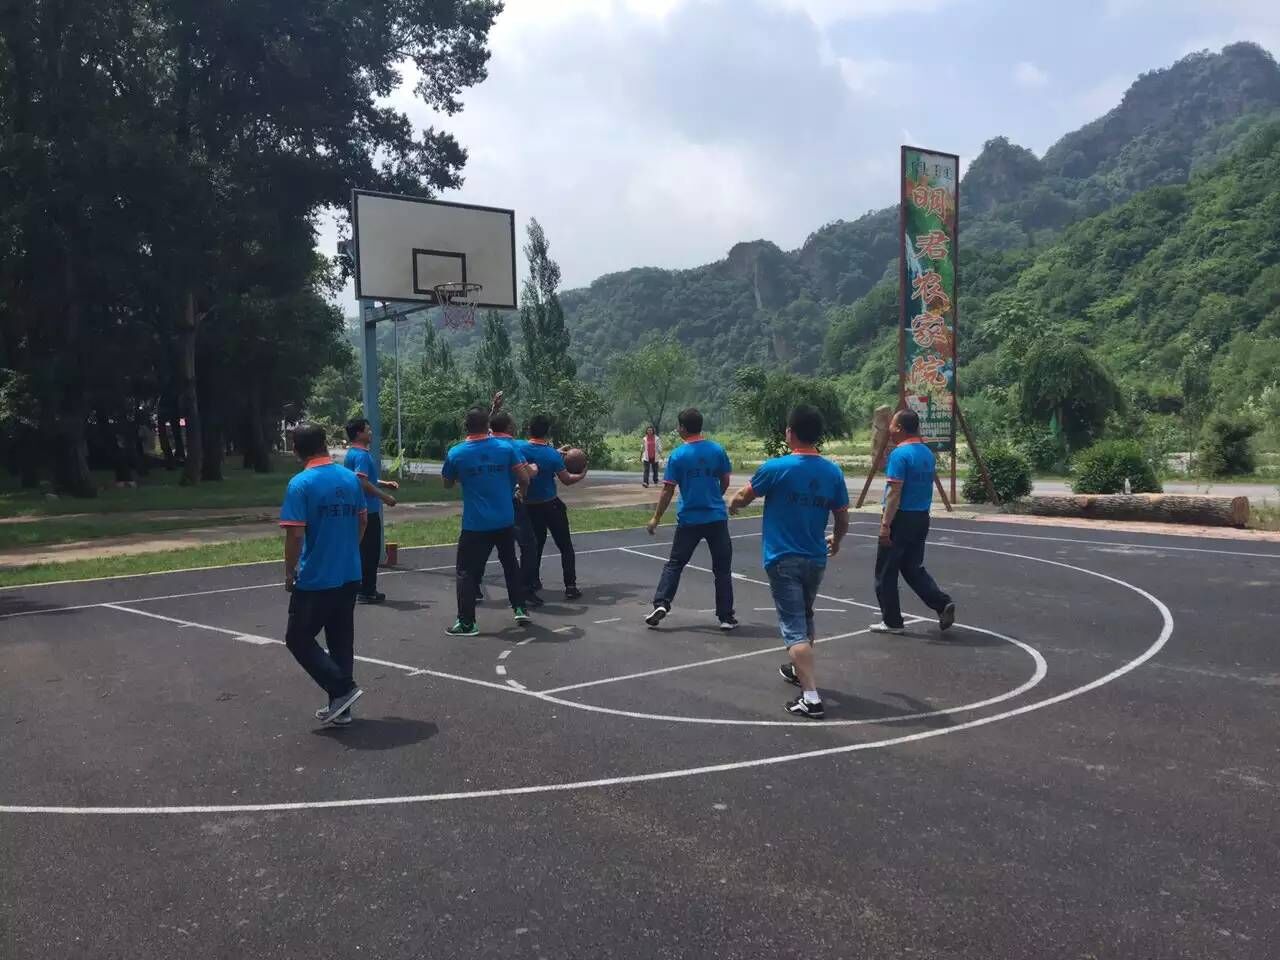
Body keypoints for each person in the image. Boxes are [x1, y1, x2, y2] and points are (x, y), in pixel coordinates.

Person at [729, 405, 849, 719]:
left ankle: (810, 697)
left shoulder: (776, 467)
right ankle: (798, 671)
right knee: (805, 615)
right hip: (815, 558)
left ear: (790, 433)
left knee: (794, 627)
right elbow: (842, 517)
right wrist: (836, 540)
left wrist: (733, 504)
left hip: (783, 558)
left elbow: (745, 495)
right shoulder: (832, 472)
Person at [279, 423, 367, 727]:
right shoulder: (350, 478)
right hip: (349, 572)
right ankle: (342, 707)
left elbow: (295, 535)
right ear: (325, 444)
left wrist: (289, 571)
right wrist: (348, 550)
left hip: (317, 577)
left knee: (297, 638)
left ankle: (342, 689)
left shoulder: (300, 484)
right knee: (340, 639)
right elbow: (362, 521)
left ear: (296, 450)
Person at [441, 407, 532, 636]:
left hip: (476, 524)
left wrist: (465, 475)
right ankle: (520, 607)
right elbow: (524, 478)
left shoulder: (457, 453)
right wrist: (520, 493)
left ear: (466, 427)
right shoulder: (505, 448)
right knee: (510, 564)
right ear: (488, 426)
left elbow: (447, 483)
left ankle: (467, 622)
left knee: (466, 571)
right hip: (504, 519)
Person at [644, 408, 737, 630]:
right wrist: (715, 497)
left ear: (683, 428)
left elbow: (668, 490)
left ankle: (662, 603)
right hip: (716, 518)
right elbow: (725, 480)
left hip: (689, 519)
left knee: (675, 564)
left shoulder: (678, 455)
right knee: (722, 569)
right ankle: (725, 617)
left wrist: (656, 517)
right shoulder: (717, 450)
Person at [872, 409, 956, 635]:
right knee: (912, 567)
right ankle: (942, 603)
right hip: (921, 517)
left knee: (886, 572)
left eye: (892, 424)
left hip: (901, 518)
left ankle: (892, 622)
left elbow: (894, 493)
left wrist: (885, 525)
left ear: (899, 428)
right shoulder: (927, 453)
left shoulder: (900, 454)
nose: (890, 429)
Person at [518, 414, 589, 601]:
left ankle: (533, 582)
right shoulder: (551, 455)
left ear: (529, 430)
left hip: (529, 506)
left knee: (534, 546)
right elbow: (566, 480)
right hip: (550, 505)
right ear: (547, 432)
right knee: (565, 545)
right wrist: (582, 474)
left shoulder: (518, 448)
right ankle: (570, 586)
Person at [489, 410, 542, 604]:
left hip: (486, 502)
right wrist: (534, 468)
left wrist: (494, 409)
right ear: (510, 427)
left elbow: (483, 425)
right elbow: (526, 475)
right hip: (509, 501)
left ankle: (474, 588)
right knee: (528, 545)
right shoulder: (510, 446)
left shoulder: (485, 441)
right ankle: (525, 589)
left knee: (482, 546)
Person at [343, 418, 398, 604]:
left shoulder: (352, 454)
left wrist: (384, 483)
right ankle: (367, 591)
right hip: (368, 510)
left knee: (362, 550)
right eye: (368, 430)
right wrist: (385, 497)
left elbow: (363, 478)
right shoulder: (362, 456)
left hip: (357, 509)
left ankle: (360, 587)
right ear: (359, 433)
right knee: (370, 552)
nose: (371, 433)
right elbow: (362, 482)